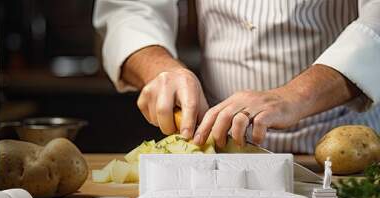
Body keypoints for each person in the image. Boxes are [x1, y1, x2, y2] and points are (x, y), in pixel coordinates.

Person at [93, 0, 380, 153]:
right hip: (218, 147)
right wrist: (161, 69)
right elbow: (130, 8)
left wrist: (297, 96)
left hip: (347, 141)